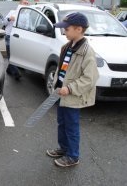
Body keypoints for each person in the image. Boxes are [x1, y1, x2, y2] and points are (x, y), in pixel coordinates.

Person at [46, 12, 99, 167]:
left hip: (72, 96)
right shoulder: (66, 47)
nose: (64, 32)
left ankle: (73, 156)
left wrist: (69, 89)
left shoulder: (87, 52)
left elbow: (90, 78)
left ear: (78, 29)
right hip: (61, 94)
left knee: (71, 127)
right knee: (61, 123)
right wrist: (57, 84)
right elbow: (62, 69)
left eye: (66, 29)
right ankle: (63, 148)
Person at [3, 0, 29, 80]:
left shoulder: (26, 15)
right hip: (9, 36)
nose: (26, 5)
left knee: (17, 54)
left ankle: (9, 69)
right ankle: (16, 73)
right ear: (20, 3)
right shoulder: (12, 12)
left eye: (27, 3)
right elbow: (3, 22)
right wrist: (9, 19)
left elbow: (27, 26)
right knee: (11, 55)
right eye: (24, 3)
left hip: (19, 38)